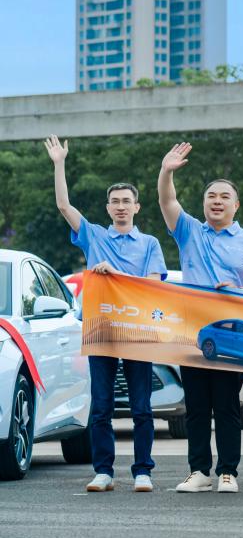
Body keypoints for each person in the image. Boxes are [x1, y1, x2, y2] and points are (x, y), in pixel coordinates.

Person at [45, 136, 167, 494]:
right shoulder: (94, 236)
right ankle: (103, 471)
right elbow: (64, 205)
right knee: (100, 407)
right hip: (100, 331)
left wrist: (114, 273)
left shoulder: (149, 244)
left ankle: (143, 471)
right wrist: (59, 163)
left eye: (127, 201)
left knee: (142, 408)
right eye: (115, 201)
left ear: (137, 207)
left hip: (138, 332)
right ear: (108, 207)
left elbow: (154, 284)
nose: (121, 207)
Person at [157, 142, 243, 495]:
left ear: (236, 205)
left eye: (224, 197)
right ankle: (199, 471)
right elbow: (167, 201)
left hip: (233, 336)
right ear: (204, 203)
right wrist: (166, 171)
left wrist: (240, 289)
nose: (217, 201)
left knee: (228, 406)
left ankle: (228, 472)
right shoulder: (189, 231)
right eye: (211, 196)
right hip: (193, 334)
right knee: (197, 407)